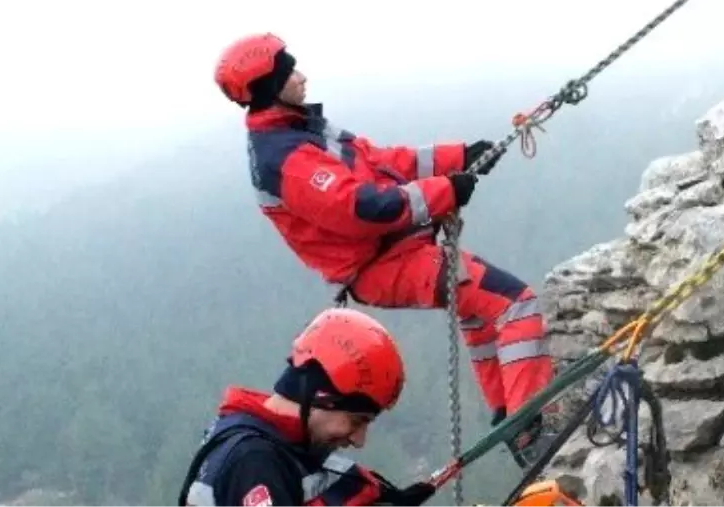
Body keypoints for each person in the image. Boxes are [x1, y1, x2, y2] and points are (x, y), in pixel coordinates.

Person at [213, 32, 554, 466]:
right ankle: (530, 429)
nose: (301, 77)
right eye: (289, 72)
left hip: (394, 255)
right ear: (268, 87)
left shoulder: (301, 128)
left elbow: (382, 162)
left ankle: (511, 413)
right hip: (387, 264)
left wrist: (458, 157)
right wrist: (445, 191)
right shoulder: (286, 158)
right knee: (515, 304)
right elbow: (362, 208)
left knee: (478, 312)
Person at [178, 307, 437, 507]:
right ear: (319, 397)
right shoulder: (255, 463)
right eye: (357, 420)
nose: (359, 440)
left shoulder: (277, 445)